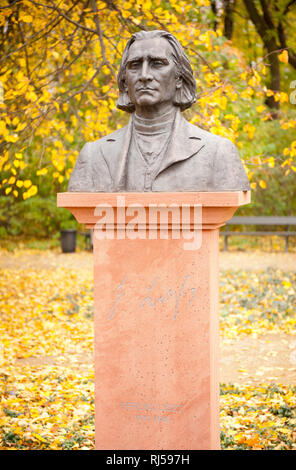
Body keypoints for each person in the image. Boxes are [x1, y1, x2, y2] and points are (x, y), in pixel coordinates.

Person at [68, 30, 250, 192]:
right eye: (135, 65)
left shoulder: (217, 152)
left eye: (157, 64)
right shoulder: (94, 155)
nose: (144, 75)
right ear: (125, 81)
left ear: (179, 77)